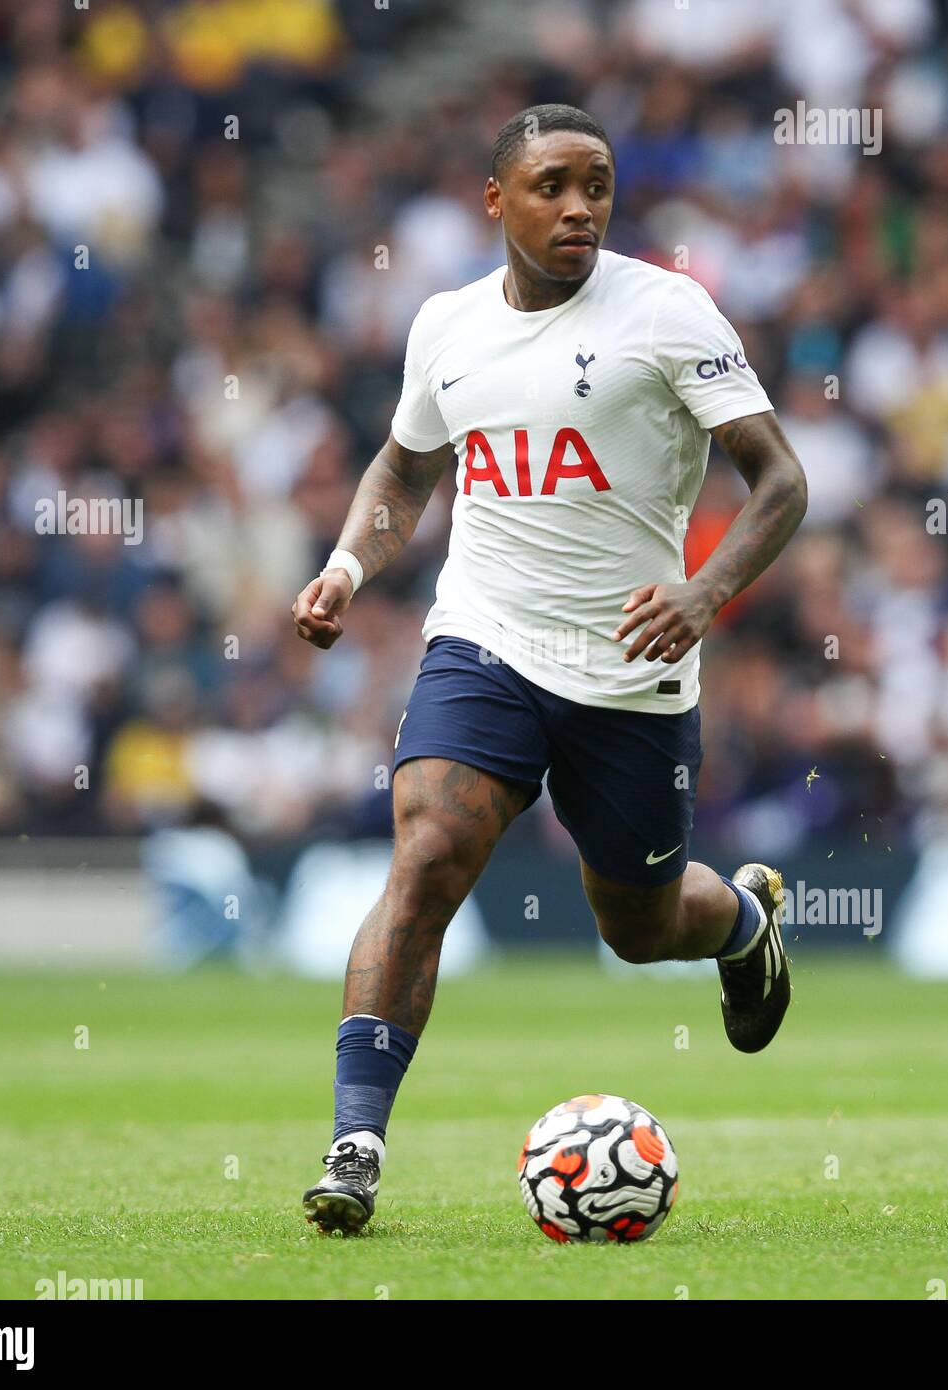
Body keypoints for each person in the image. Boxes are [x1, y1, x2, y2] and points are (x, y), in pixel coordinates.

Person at [290, 104, 808, 1234]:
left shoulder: (667, 313)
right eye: (552, 186)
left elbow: (780, 481)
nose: (579, 207)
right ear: (495, 200)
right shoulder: (447, 325)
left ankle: (739, 925)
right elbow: (404, 466)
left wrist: (703, 590)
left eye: (598, 186)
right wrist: (344, 565)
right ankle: (355, 1144)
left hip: (630, 668)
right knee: (427, 853)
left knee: (635, 922)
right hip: (484, 639)